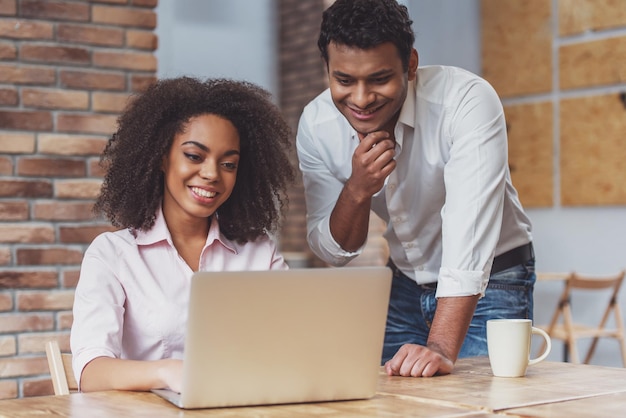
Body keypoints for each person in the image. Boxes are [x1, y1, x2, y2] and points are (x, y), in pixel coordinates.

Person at [296, 0, 534, 378]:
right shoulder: (317, 125)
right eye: (344, 80)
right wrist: (357, 190)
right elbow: (334, 250)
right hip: (405, 280)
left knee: (481, 404)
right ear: (327, 69)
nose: (360, 99)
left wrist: (439, 346)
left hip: (492, 280)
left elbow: (466, 239)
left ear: (410, 64)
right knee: (395, 401)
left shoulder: (466, 102)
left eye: (378, 79)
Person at [71, 77, 295, 392]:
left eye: (228, 164)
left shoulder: (260, 254)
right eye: (194, 156)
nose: (212, 173)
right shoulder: (112, 255)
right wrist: (168, 373)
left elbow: (294, 343)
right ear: (162, 157)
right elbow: (91, 373)